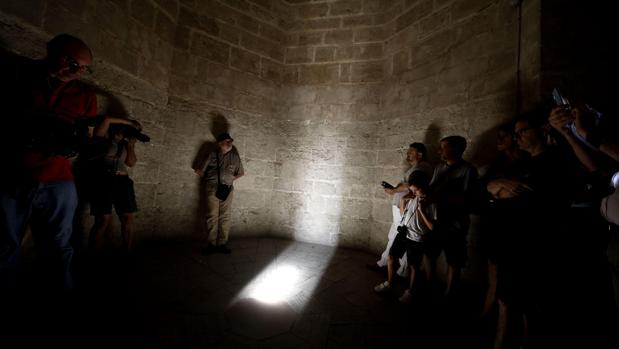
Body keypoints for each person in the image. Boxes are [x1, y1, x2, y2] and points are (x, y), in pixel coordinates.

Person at [0, 34, 97, 292]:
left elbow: (86, 135)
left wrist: (72, 145)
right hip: (14, 173)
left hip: (58, 179)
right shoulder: (19, 75)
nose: (76, 71)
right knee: (5, 244)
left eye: (83, 68)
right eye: (71, 62)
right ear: (51, 51)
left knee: (59, 245)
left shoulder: (85, 95)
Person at [367, 143, 433, 278]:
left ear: (420, 154)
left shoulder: (423, 167)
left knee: (402, 237)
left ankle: (401, 270)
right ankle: (386, 264)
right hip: (401, 206)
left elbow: (411, 185)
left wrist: (394, 190)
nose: (407, 154)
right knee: (394, 236)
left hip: (407, 209)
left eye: (411, 152)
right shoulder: (415, 167)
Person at [428, 135, 479, 297]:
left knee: (454, 260)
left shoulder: (468, 170)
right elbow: (432, 189)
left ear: (456, 149)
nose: (439, 151)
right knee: (429, 253)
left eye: (443, 147)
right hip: (437, 219)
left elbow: (468, 198)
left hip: (455, 223)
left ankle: (449, 294)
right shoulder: (439, 168)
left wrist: (443, 197)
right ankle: (430, 285)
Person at [374, 171, 437, 303]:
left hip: (416, 238)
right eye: (412, 189)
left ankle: (410, 291)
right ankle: (390, 283)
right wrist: (404, 200)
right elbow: (404, 215)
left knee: (414, 266)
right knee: (391, 257)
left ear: (423, 186)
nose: (413, 192)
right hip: (404, 233)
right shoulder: (413, 197)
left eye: (415, 190)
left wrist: (422, 210)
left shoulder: (431, 203)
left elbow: (432, 227)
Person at [86, 116, 142, 255]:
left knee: (128, 218)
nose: (122, 133)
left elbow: (130, 163)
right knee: (102, 220)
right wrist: (130, 122)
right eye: (122, 130)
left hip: (123, 182)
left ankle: (127, 254)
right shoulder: (101, 139)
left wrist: (131, 145)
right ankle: (92, 257)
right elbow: (107, 120)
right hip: (104, 180)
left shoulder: (124, 144)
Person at [193, 132, 244, 255]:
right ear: (220, 143)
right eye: (227, 141)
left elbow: (240, 173)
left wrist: (230, 180)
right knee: (212, 215)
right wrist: (210, 180)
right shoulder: (212, 154)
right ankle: (211, 244)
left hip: (227, 189)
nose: (230, 143)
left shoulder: (234, 156)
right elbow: (199, 170)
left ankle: (222, 243)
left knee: (225, 216)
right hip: (212, 188)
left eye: (230, 141)